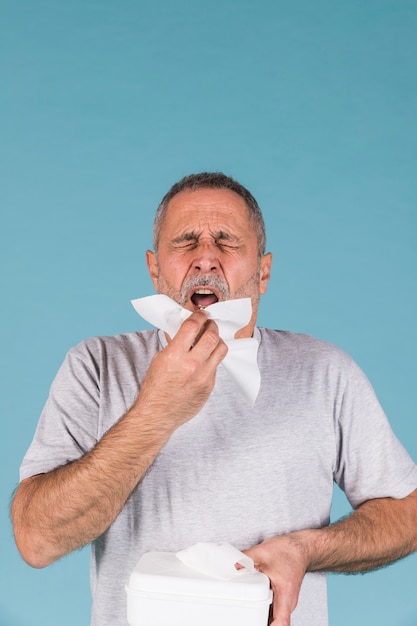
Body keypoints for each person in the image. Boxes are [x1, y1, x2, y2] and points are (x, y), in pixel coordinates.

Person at [11, 172, 417, 626]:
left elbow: (408, 513)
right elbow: (36, 540)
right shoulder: (97, 366)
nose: (205, 257)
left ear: (262, 272)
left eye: (227, 241)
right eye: (185, 242)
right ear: (154, 268)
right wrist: (157, 411)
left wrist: (307, 549)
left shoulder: (324, 372)